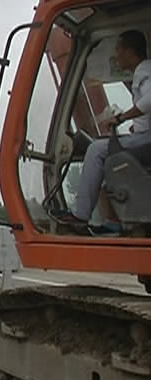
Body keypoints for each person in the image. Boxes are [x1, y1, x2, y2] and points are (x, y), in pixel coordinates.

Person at [55, 30, 151, 230]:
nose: (116, 55)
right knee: (110, 159)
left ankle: (80, 215)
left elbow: (149, 100)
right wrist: (139, 124)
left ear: (130, 51)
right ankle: (114, 221)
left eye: (118, 49)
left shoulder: (145, 70)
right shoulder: (144, 71)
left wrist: (121, 118)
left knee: (96, 150)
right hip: (145, 135)